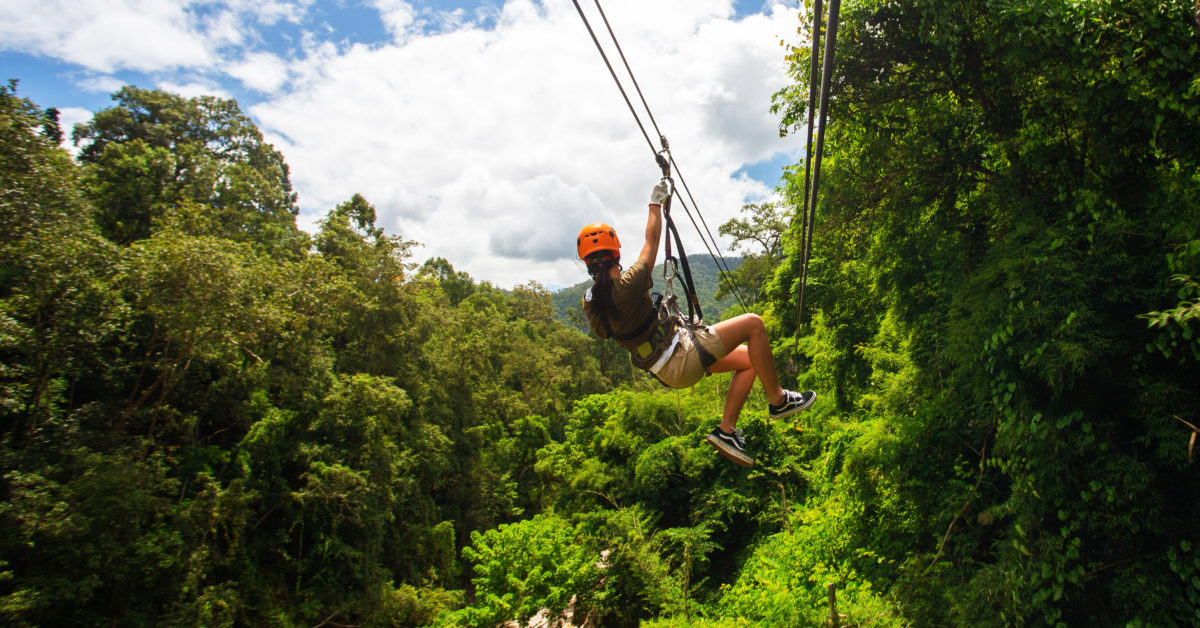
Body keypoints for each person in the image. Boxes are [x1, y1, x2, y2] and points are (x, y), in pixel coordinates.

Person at [577, 180, 817, 466]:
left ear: (588, 264)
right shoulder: (629, 284)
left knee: (752, 361)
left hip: (665, 366)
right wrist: (655, 204)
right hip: (681, 357)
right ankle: (778, 400)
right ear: (616, 253)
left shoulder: (591, 301)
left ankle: (726, 431)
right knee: (754, 324)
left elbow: (612, 331)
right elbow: (651, 242)